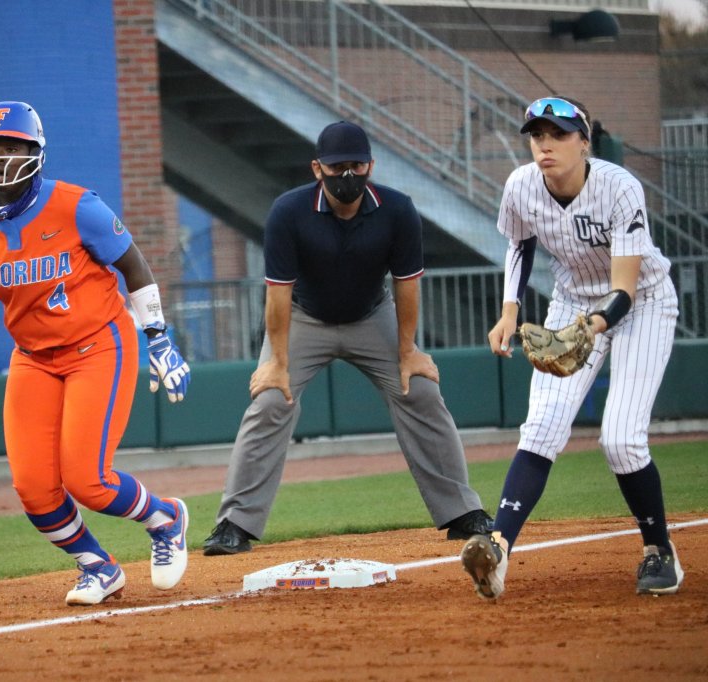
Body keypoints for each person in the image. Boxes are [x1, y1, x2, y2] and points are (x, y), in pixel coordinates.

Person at [0, 101, 192, 606]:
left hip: (99, 344)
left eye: (10, 147)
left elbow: (134, 267)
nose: (0, 157)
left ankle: (166, 519)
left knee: (88, 480)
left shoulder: (76, 205)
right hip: (33, 356)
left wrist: (159, 338)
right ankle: (98, 566)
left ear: (35, 152)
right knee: (33, 487)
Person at [202, 120, 492, 556]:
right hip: (304, 318)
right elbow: (278, 295)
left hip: (372, 316)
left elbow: (407, 284)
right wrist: (277, 362)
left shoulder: (397, 209)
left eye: (356, 165)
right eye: (338, 167)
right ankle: (233, 524)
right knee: (269, 401)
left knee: (422, 392)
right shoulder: (288, 211)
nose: (348, 175)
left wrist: (409, 351)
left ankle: (461, 512)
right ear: (317, 169)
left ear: (371, 165)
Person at [461, 96, 684, 600]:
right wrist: (510, 312)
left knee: (622, 440)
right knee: (541, 425)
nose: (545, 145)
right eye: (537, 135)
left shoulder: (619, 188)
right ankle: (496, 550)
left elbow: (624, 290)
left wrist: (591, 329)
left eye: (559, 134)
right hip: (571, 300)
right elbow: (519, 245)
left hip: (641, 303)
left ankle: (659, 551)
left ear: (584, 141)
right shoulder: (520, 184)